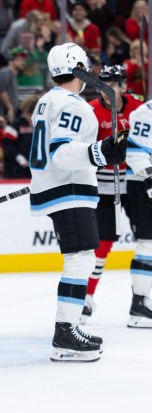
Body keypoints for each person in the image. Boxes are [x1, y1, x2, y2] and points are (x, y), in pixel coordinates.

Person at [28, 43, 127, 363]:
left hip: (60, 188)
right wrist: (101, 152)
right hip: (66, 188)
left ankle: (68, 328)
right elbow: (60, 153)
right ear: (79, 68)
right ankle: (65, 334)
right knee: (81, 258)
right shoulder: (71, 104)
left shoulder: (47, 100)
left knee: (82, 257)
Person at [83, 65, 144, 322]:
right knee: (103, 243)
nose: (107, 91)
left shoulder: (139, 108)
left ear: (124, 86)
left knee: (147, 240)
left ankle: (142, 300)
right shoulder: (91, 112)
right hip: (104, 185)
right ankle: (86, 298)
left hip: (136, 182)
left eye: (113, 84)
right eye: (103, 84)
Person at [124, 99, 152, 328]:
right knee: (147, 243)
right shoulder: (146, 113)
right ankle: (139, 306)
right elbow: (135, 152)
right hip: (142, 184)